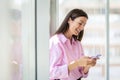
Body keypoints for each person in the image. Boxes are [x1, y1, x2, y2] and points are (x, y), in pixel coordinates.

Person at [49, 8, 97, 80]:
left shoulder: (77, 44)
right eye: (80, 23)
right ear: (69, 20)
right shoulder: (56, 41)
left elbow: (81, 72)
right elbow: (52, 72)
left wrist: (88, 65)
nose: (82, 28)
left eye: (84, 25)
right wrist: (76, 63)